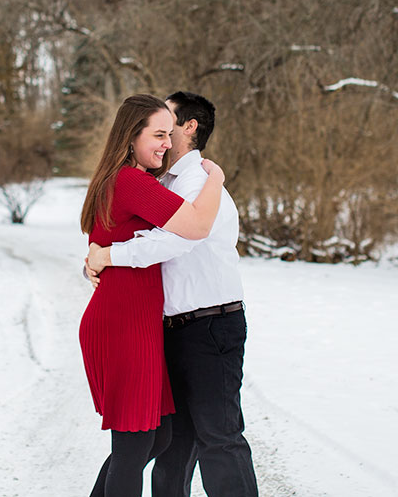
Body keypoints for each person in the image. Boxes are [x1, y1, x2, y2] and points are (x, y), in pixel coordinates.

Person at [85, 91, 258, 497]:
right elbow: (118, 227)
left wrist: (109, 255)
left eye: (168, 127)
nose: (163, 139)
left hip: (210, 322)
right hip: (166, 327)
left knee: (218, 438)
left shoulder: (198, 180)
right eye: (155, 131)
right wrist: (98, 257)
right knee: (168, 443)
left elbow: (176, 240)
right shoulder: (153, 179)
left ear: (189, 127)